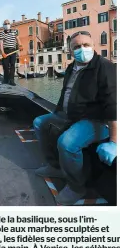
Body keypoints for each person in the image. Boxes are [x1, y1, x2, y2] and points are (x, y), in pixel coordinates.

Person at [33, 31, 116, 205]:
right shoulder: (71, 67)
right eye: (77, 47)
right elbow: (66, 93)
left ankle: (77, 187)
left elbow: (113, 103)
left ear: (93, 46)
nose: (82, 49)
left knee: (67, 143)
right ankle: (55, 166)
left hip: (97, 120)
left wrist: (115, 141)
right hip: (70, 115)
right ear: (71, 51)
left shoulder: (105, 67)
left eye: (86, 45)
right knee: (40, 122)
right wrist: (57, 112)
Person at [0, 19, 23, 85]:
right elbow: (1, 43)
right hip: (6, 51)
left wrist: (20, 45)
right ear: (3, 25)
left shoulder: (14, 31)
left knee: (12, 65)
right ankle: (6, 79)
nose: (7, 25)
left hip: (13, 50)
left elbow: (18, 39)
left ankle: (11, 80)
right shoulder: (1, 33)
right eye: (5, 24)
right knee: (5, 66)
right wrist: (2, 52)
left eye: (8, 23)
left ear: (10, 24)